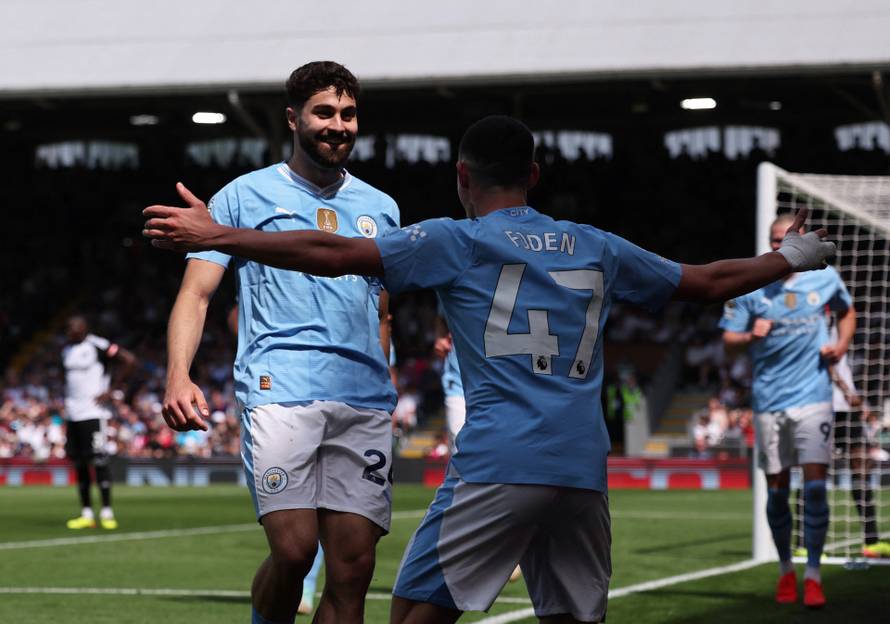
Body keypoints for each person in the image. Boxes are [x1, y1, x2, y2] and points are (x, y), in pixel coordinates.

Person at [143, 115, 835, 623]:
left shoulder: (456, 240)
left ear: (463, 177)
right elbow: (710, 280)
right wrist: (792, 257)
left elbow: (332, 256)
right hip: (583, 471)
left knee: (413, 612)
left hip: (500, 463)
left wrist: (220, 236)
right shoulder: (596, 245)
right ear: (534, 175)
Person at [157, 61, 399, 624]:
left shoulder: (381, 208)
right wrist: (178, 375)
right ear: (294, 119)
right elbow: (196, 295)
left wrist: (383, 376)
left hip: (363, 399)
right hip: (279, 388)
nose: (338, 124)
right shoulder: (242, 196)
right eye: (324, 113)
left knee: (353, 569)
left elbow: (384, 310)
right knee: (294, 552)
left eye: (348, 113)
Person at [720, 214, 851, 608]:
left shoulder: (824, 278)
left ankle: (812, 574)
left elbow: (847, 312)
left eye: (788, 238)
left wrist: (841, 346)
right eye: (777, 239)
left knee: (814, 489)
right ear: (770, 242)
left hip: (814, 396)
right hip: (769, 401)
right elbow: (728, 342)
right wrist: (746, 335)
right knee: (777, 495)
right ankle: (784, 570)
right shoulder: (749, 286)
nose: (782, 244)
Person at [61, 315, 135, 530]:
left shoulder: (97, 345)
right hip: (73, 413)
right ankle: (86, 514)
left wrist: (112, 390)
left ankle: (106, 512)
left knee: (99, 462)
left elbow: (129, 360)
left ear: (83, 327)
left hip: (93, 413)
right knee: (80, 464)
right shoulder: (66, 351)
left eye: (72, 326)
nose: (68, 330)